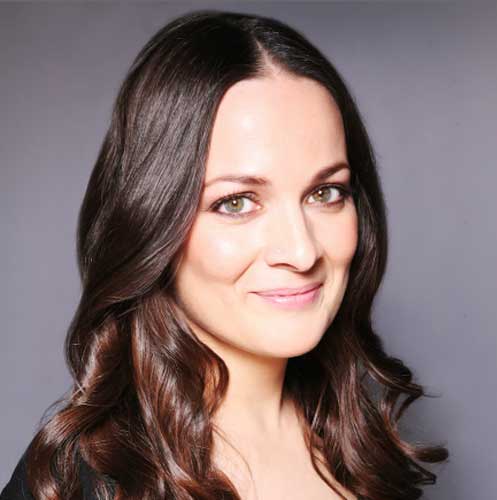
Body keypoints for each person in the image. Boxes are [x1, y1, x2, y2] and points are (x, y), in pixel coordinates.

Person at [1, 9, 448, 500]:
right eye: (236, 203)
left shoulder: (363, 447)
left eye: (325, 193)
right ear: (151, 224)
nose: (301, 252)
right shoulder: (78, 481)